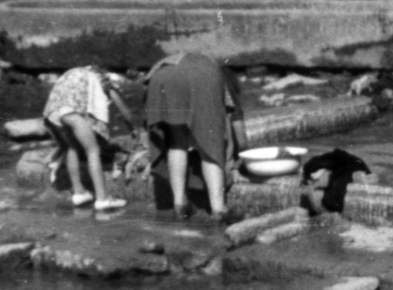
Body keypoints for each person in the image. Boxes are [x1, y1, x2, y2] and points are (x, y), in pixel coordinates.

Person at [143, 52, 246, 219]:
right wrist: (240, 154)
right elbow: (235, 133)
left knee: (177, 142)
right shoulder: (220, 78)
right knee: (210, 144)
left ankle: (180, 204)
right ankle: (219, 209)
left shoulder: (206, 63)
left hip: (161, 76)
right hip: (197, 77)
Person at [42, 66, 138, 212]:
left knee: (71, 148)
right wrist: (135, 129)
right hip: (71, 112)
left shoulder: (75, 73)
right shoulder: (102, 79)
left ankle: (79, 193)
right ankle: (103, 199)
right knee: (93, 150)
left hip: (54, 113)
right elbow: (125, 111)